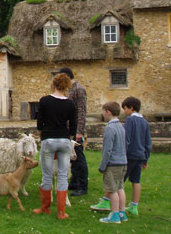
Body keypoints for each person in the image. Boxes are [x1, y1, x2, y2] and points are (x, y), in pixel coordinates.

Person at [33, 73, 77, 220]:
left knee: (47, 175)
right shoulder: (71, 104)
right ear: (66, 87)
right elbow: (73, 125)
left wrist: (41, 136)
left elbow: (40, 122)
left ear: (53, 84)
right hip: (64, 140)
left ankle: (45, 208)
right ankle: (61, 212)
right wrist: (68, 138)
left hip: (48, 138)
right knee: (63, 175)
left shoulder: (45, 101)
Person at [59, 67, 89, 197]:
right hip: (69, 128)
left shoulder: (79, 89)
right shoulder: (70, 89)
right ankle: (75, 181)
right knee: (72, 158)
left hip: (77, 129)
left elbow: (82, 112)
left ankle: (82, 185)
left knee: (79, 157)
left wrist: (79, 131)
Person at [96, 102, 128, 224]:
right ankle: (122, 212)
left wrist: (102, 166)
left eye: (104, 111)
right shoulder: (121, 126)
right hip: (123, 162)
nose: (103, 114)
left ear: (108, 112)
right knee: (120, 187)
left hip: (113, 163)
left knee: (112, 189)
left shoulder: (110, 128)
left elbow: (107, 150)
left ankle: (114, 215)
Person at [122, 96, 151, 216]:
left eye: (125, 108)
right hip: (140, 155)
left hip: (129, 155)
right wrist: (146, 158)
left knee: (119, 181)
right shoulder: (145, 122)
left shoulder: (130, 120)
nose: (124, 111)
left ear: (131, 108)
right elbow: (148, 142)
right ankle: (134, 206)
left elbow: (126, 138)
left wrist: (122, 153)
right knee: (136, 181)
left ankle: (114, 204)